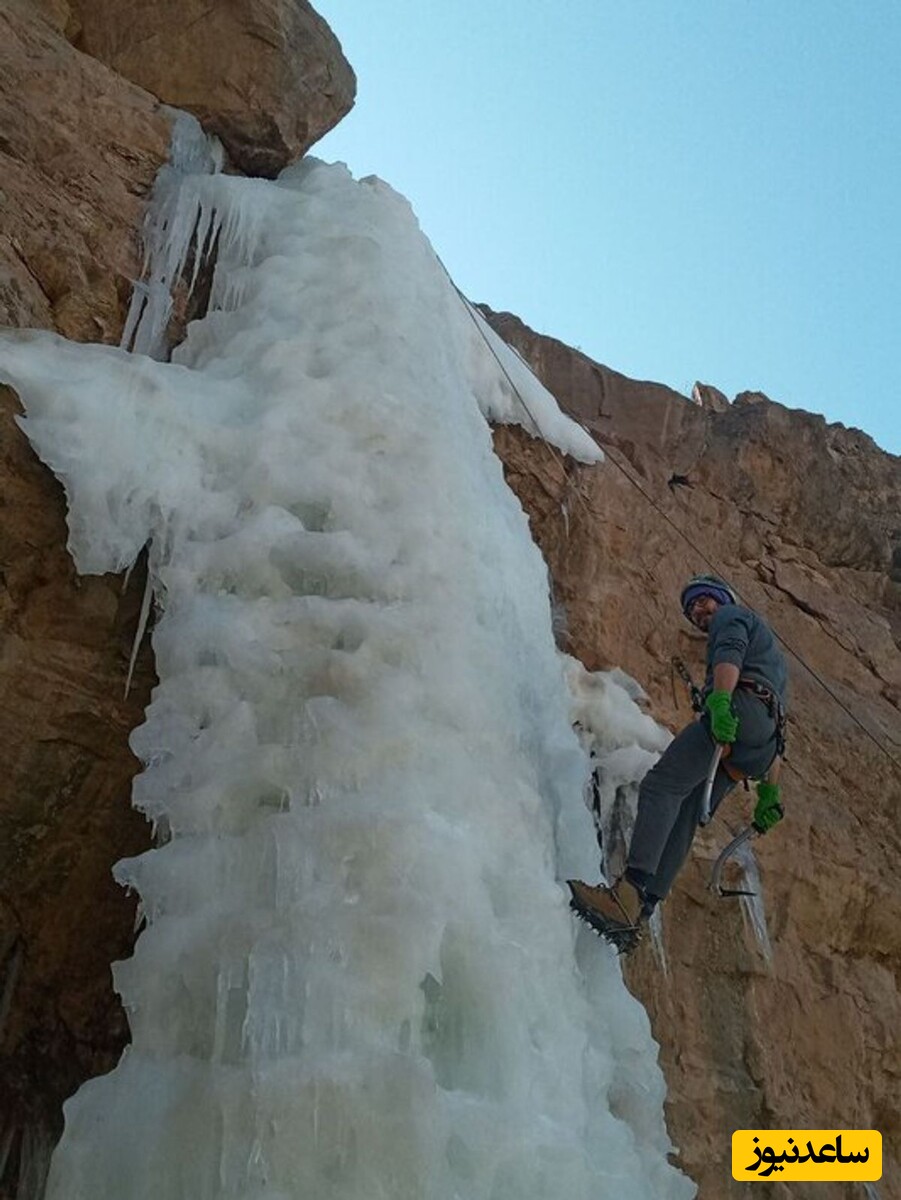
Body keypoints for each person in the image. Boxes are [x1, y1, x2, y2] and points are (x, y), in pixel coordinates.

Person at [568, 574, 787, 948]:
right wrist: (771, 793)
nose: (698, 610)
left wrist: (719, 702)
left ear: (723, 599)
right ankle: (643, 910)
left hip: (739, 711)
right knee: (685, 810)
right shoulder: (772, 662)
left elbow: (729, 652)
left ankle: (629, 893)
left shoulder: (732, 618)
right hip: (761, 745)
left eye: (704, 600)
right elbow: (778, 728)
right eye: (691, 608)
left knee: (661, 785)